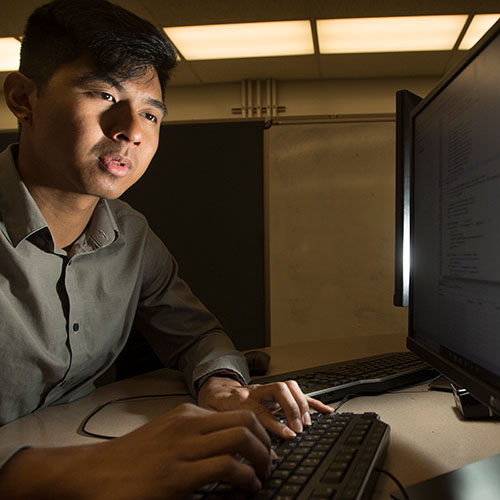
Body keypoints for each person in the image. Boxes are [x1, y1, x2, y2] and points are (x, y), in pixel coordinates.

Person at [0, 1, 332, 498]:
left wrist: (221, 389)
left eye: (151, 114)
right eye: (103, 94)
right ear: (23, 98)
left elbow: (196, 335)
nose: (131, 131)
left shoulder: (130, 234)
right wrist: (82, 470)